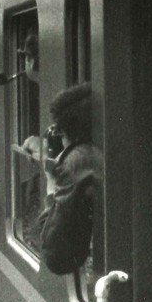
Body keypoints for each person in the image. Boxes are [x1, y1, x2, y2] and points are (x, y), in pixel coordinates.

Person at [36, 83, 102, 275]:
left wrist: (51, 184)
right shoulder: (97, 153)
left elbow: (56, 256)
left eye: (61, 134)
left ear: (70, 135)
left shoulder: (76, 162)